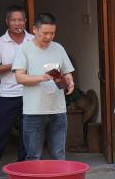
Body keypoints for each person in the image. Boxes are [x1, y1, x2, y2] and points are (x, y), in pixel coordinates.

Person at [12, 13, 76, 160]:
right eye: (45, 33)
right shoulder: (24, 49)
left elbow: (67, 71)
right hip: (34, 110)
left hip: (58, 109)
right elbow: (19, 77)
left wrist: (70, 80)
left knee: (59, 155)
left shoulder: (58, 48)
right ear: (35, 30)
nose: (49, 37)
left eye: (52, 33)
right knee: (33, 155)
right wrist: (41, 77)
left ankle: (59, 176)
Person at [0, 5, 34, 164]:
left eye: (20, 20)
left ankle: (24, 168)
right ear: (7, 22)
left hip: (30, 94)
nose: (17, 23)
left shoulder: (33, 40)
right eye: (14, 20)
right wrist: (13, 65)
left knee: (27, 135)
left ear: (25, 21)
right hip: (8, 95)